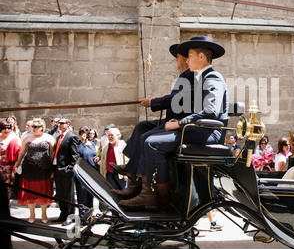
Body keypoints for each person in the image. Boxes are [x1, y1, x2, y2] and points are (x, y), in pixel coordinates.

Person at [119, 35, 229, 211]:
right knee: (147, 135)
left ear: (201, 57)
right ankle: (146, 188)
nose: (187, 60)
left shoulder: (213, 77)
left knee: (152, 143)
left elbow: (211, 110)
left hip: (207, 133)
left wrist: (179, 124)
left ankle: (160, 196)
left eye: (190, 55)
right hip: (198, 129)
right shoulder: (202, 77)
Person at [110, 43, 195, 200]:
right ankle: (132, 174)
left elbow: (178, 99)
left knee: (147, 138)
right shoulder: (183, 77)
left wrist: (154, 103)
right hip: (169, 121)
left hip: (179, 124)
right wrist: (158, 100)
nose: (176, 59)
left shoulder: (192, 77)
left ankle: (144, 189)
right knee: (142, 127)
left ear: (187, 59)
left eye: (178, 56)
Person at [14, 119, 54, 223]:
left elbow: (52, 155)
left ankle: (44, 214)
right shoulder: (27, 138)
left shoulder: (49, 138)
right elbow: (22, 153)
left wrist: (53, 169)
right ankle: (32, 214)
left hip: (44, 169)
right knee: (30, 192)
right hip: (29, 169)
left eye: (36, 126)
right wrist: (16, 164)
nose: (34, 128)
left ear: (42, 127)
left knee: (43, 191)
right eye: (33, 126)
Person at [52, 117, 80, 226]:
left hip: (66, 170)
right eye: (58, 123)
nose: (59, 124)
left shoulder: (71, 137)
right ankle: (63, 214)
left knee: (68, 195)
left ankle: (71, 216)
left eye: (62, 123)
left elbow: (75, 155)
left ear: (68, 124)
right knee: (60, 194)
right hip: (57, 169)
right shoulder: (59, 136)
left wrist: (69, 169)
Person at [76, 126, 97, 212]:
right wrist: (83, 143)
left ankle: (90, 212)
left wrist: (97, 158)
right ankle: (82, 214)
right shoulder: (78, 144)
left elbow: (94, 154)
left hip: (91, 171)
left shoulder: (92, 144)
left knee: (90, 193)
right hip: (82, 171)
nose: (84, 136)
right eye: (82, 134)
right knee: (82, 193)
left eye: (86, 134)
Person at [0, 121, 21, 200]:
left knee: (7, 188)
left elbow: (21, 152)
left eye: (8, 128)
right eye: (4, 128)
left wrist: (16, 166)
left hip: (8, 168)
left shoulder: (14, 139)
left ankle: (6, 206)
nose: (6, 130)